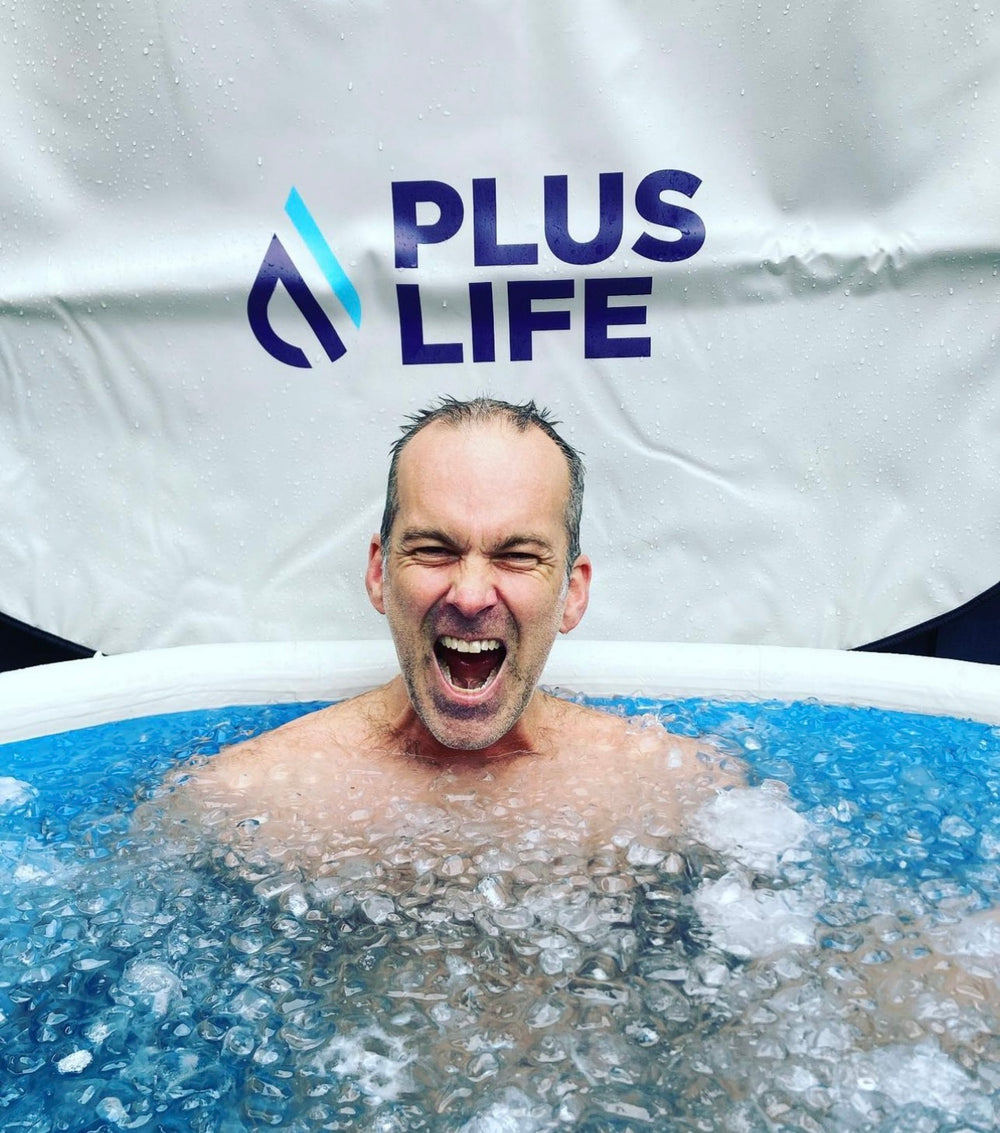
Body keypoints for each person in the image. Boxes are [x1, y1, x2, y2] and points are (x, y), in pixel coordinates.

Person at [168, 396, 735, 868]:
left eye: (517, 555)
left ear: (573, 593)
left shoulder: (673, 792)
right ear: (379, 574)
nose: (470, 595)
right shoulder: (247, 798)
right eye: (435, 550)